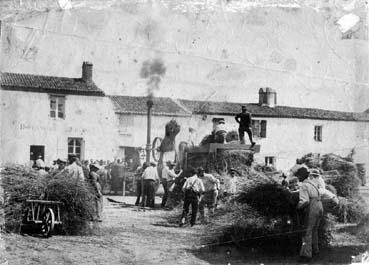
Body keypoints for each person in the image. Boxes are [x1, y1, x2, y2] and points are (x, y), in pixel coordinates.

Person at [297, 169, 324, 262]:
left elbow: (305, 201)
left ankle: (306, 255)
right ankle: (316, 250)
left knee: (307, 232)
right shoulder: (314, 184)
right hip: (319, 206)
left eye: (298, 176)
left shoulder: (304, 185)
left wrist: (298, 207)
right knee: (314, 230)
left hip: (312, 207)